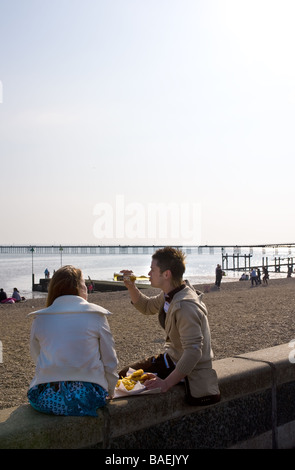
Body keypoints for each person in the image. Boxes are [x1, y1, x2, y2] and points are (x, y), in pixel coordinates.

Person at [119, 247, 220, 407]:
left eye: (152, 269)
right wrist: (131, 286)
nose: (149, 273)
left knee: (124, 380)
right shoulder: (171, 293)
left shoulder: (185, 305)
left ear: (166, 274)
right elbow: (147, 306)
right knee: (124, 374)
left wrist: (165, 384)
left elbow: (193, 352)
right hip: (171, 358)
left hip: (187, 370)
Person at [27, 265, 118, 417]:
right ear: (80, 287)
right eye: (84, 284)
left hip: (46, 395)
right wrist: (111, 389)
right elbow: (110, 359)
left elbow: (36, 355)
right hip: (89, 394)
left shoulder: (40, 318)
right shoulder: (96, 315)